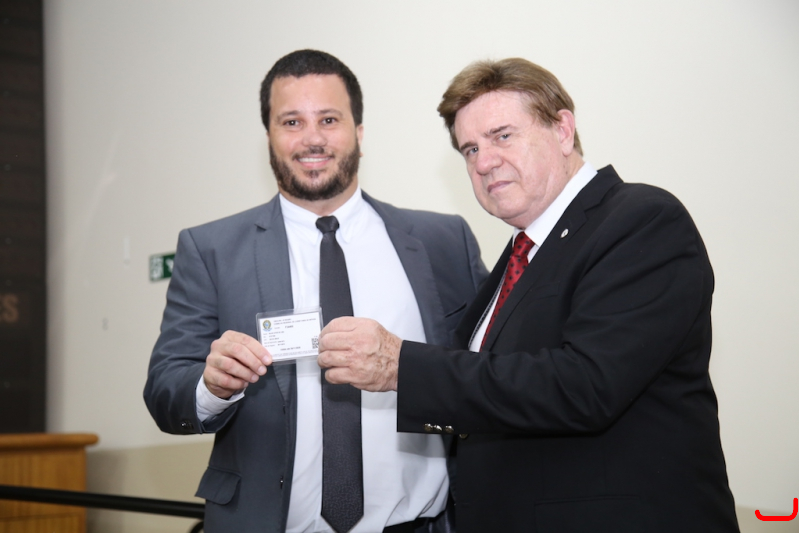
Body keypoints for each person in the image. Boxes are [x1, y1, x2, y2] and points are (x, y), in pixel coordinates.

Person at [317, 58, 740, 532]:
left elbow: (584, 386)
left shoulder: (642, 220)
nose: (483, 162)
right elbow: (493, 397)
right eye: (470, 149)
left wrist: (402, 367)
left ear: (563, 130)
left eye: (502, 136)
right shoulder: (524, 252)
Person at [143, 49, 487, 533]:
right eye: (291, 122)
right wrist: (210, 386)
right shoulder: (211, 250)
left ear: (359, 132)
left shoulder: (442, 241)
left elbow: (488, 372)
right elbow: (164, 388)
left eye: (329, 119)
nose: (312, 138)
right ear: (269, 137)